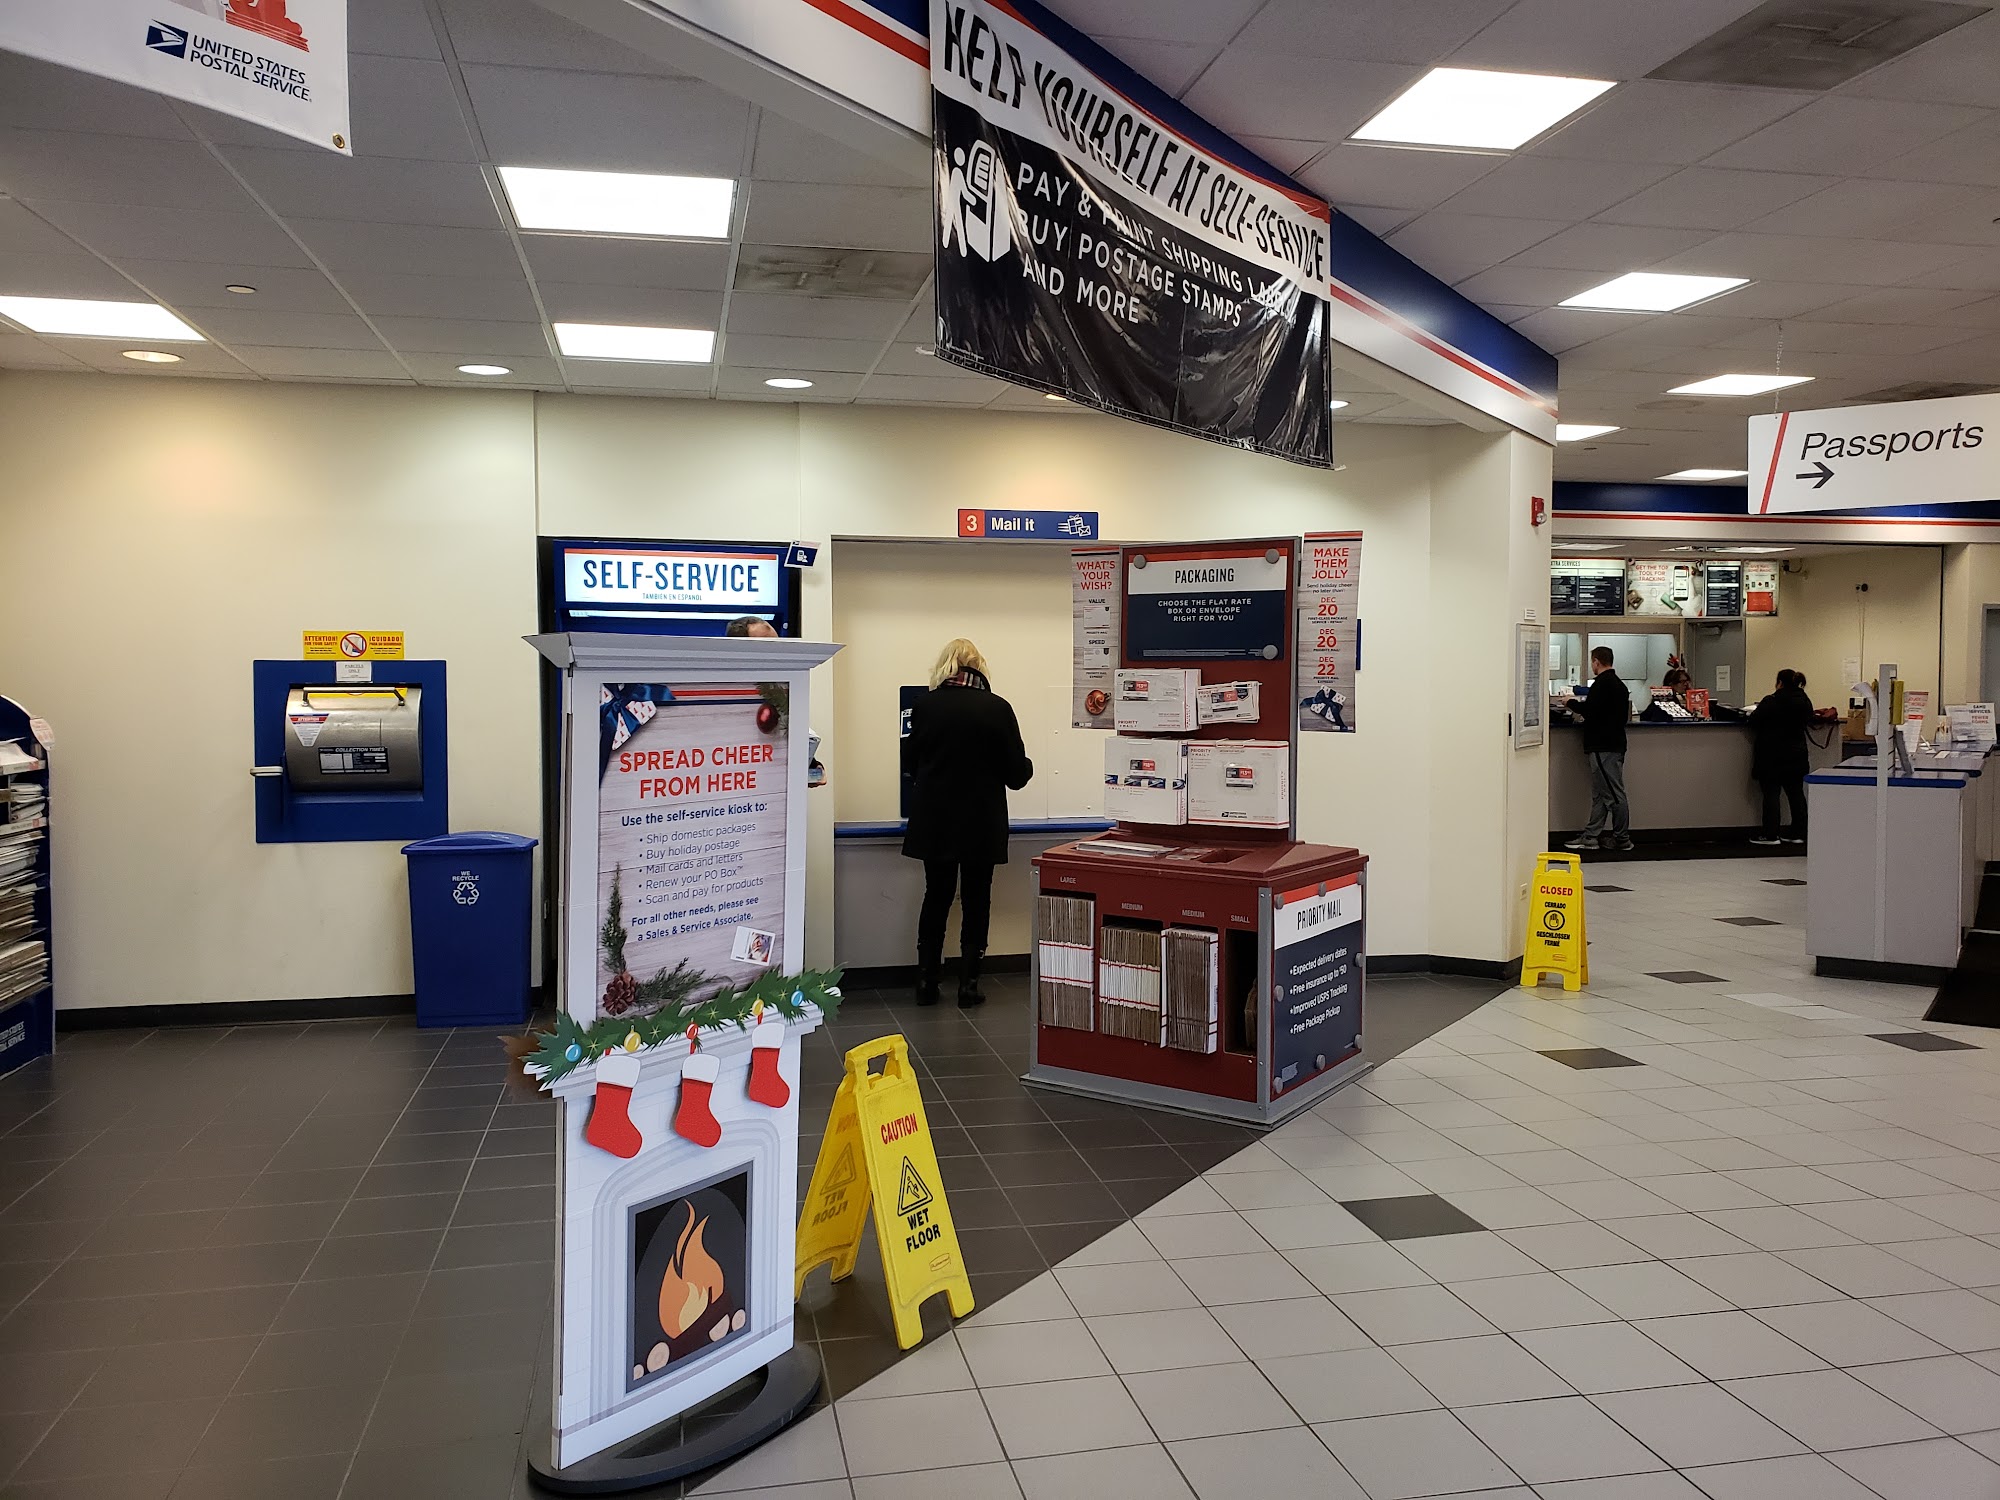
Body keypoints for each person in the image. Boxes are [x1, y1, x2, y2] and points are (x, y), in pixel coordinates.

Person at [901, 638, 1033, 1008]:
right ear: (979, 666)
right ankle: (969, 986)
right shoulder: (997, 707)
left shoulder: (924, 706)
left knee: (936, 896)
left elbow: (910, 762)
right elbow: (1016, 775)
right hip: (981, 821)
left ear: (945, 665)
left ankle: (926, 983)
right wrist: (1026, 767)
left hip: (935, 820)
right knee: (977, 900)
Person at [1566, 645, 1633, 852]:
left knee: (1613, 794)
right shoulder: (1619, 685)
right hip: (1614, 744)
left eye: (1592, 662)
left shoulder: (1602, 685)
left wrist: (1570, 702)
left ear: (1596, 661)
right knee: (1601, 794)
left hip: (1602, 746)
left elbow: (1590, 710)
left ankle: (1622, 838)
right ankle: (1591, 835)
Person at [1749, 668, 1814, 847]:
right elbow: (1809, 719)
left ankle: (1771, 834)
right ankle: (1799, 833)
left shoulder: (1771, 701)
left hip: (1772, 755)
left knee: (1771, 794)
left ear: (1780, 683)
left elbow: (1754, 721)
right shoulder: (1804, 700)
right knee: (1796, 794)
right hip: (1797, 755)